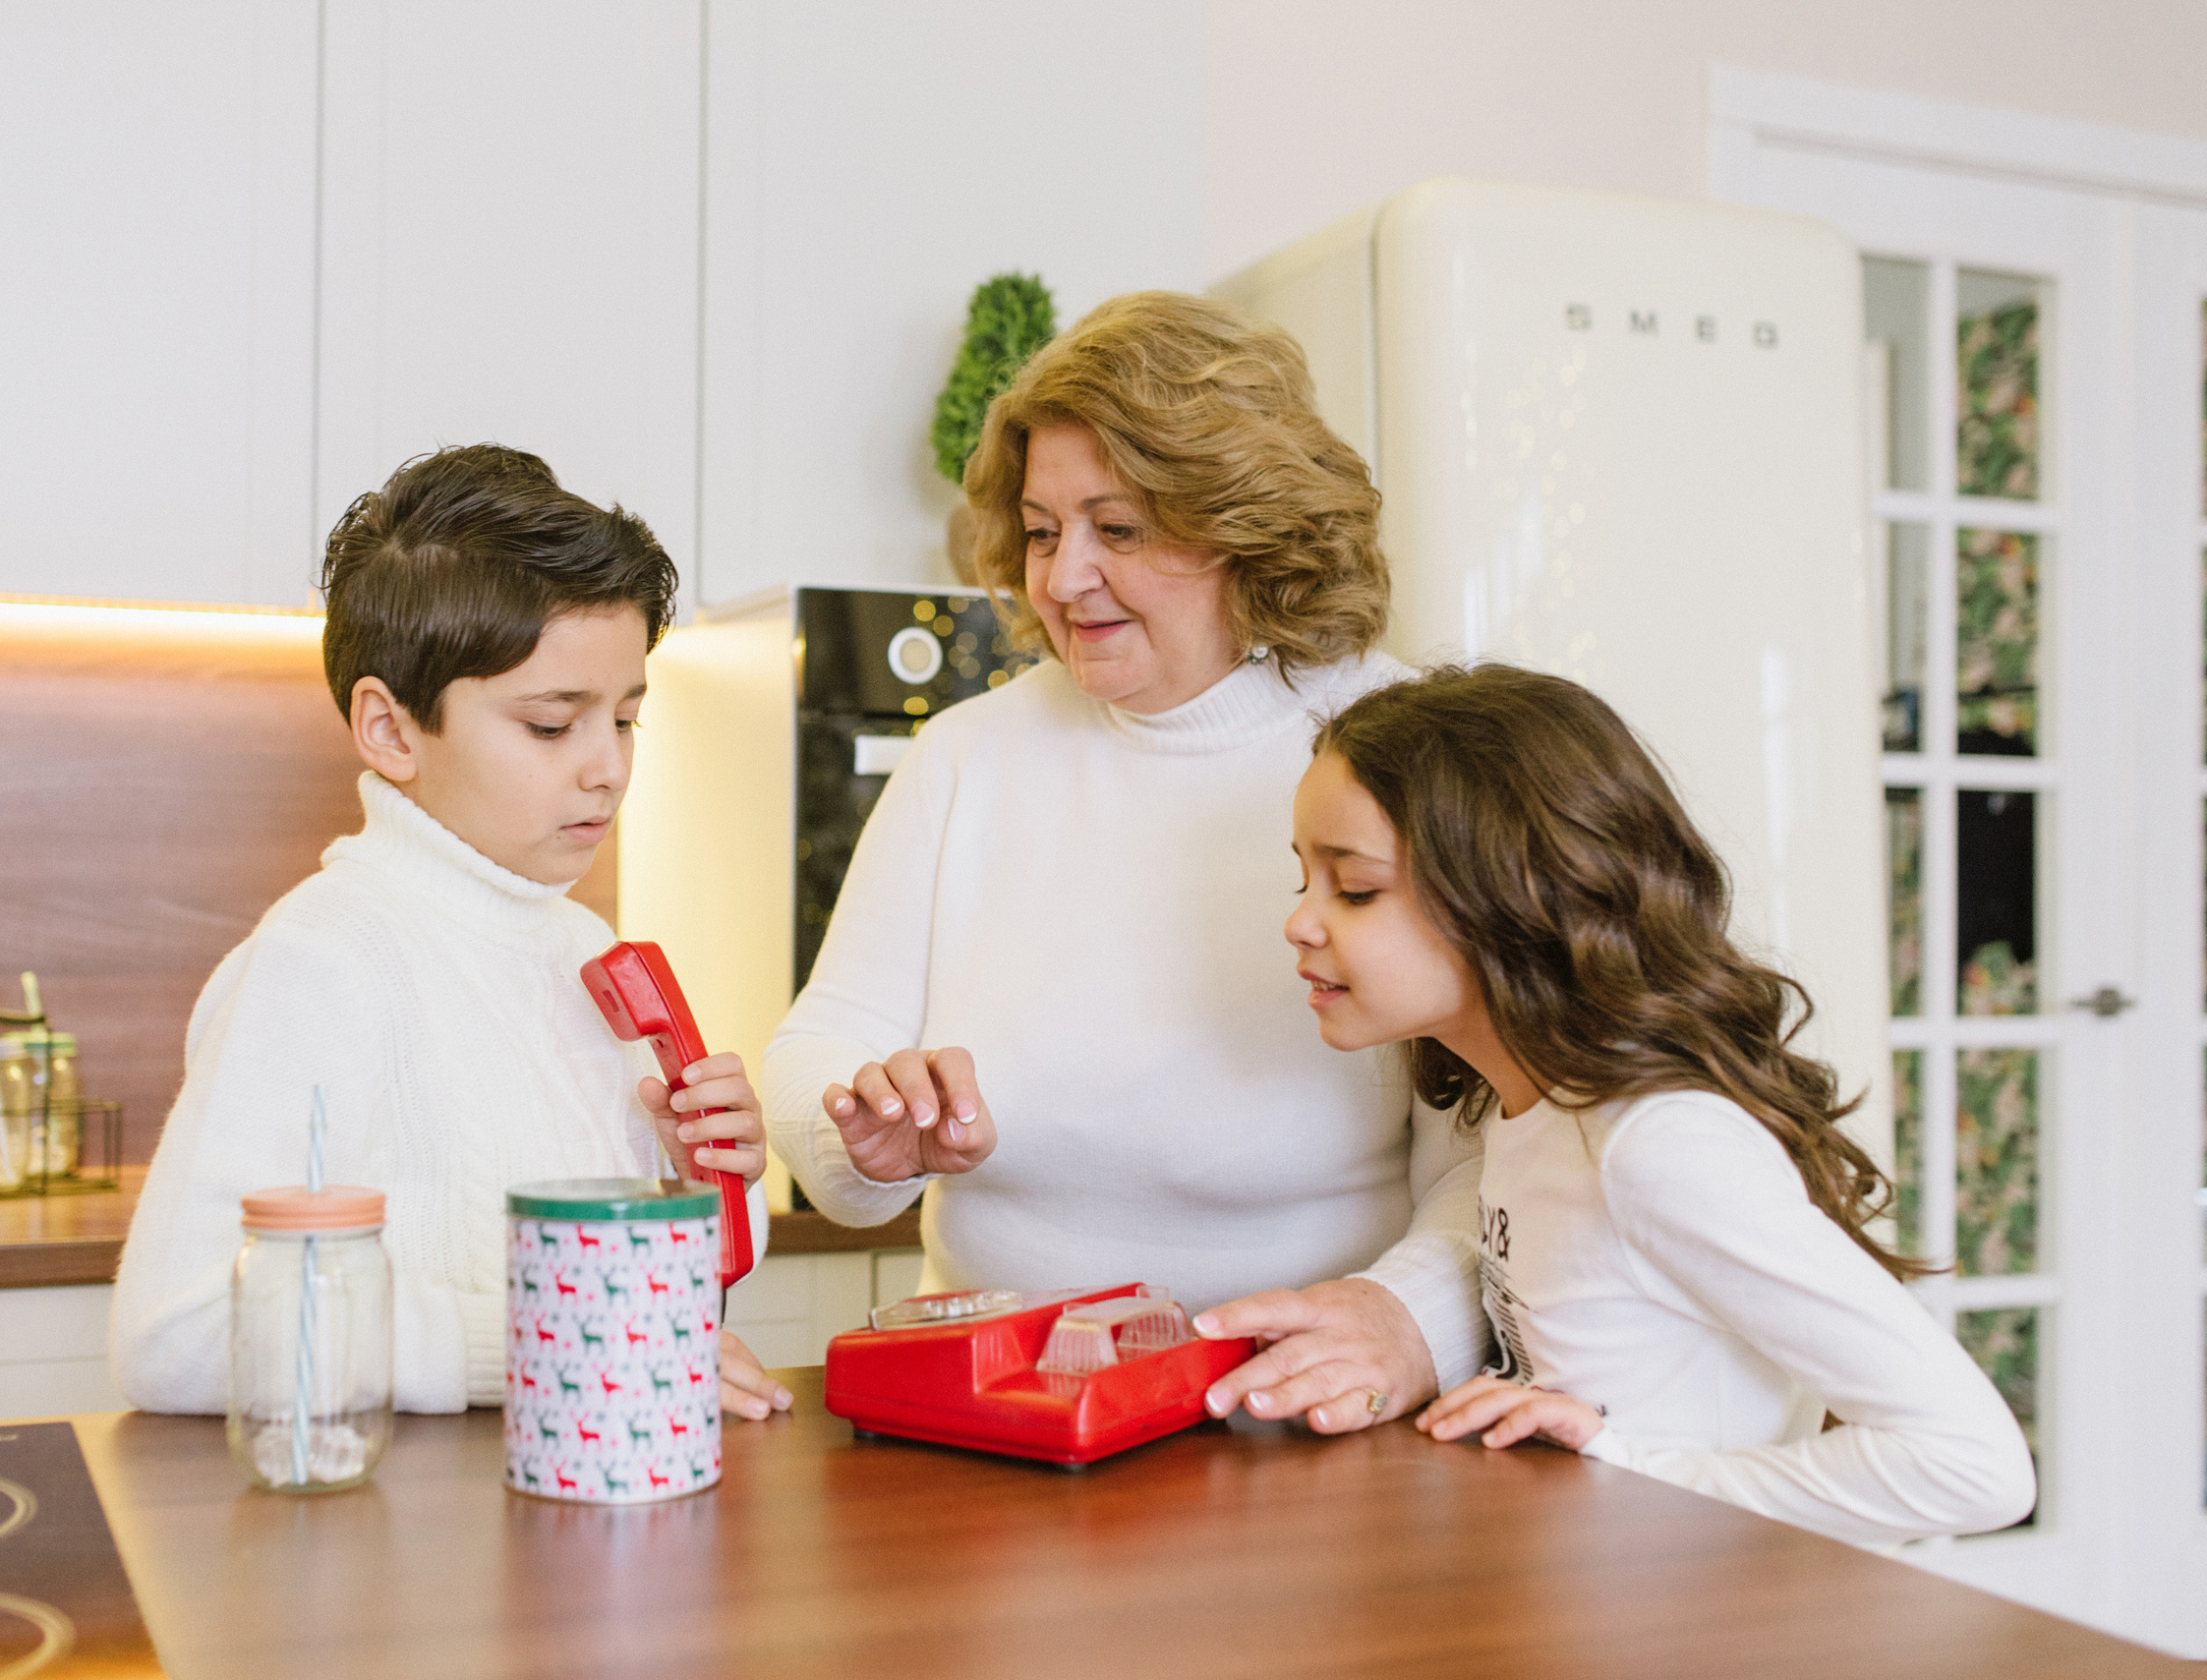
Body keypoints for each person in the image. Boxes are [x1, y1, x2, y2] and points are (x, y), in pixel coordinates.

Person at [764, 291, 1487, 1431]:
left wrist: (1407, 1316)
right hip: (1001, 1416)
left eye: (1121, 528)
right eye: (1045, 531)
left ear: (1246, 525)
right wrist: (861, 1127)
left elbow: (1499, 1147)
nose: (1062, 579)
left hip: (1297, 1417)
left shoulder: (1403, 753)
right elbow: (821, 1039)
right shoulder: (967, 758)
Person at [1279, 663, 2034, 1548]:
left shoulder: (1660, 1147)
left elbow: (1975, 1464)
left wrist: (1634, 1469)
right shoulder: (1529, 1114)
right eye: (1304, 880)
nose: (1300, 921)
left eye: (1356, 888)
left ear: (1514, 892)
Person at [112, 444, 791, 1421]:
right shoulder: (323, 959)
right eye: (554, 726)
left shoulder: (574, 946)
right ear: (390, 730)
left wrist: (699, 1186)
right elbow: (174, 1334)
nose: (608, 767)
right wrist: (539, 1336)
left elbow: (639, 1307)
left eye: (628, 718)